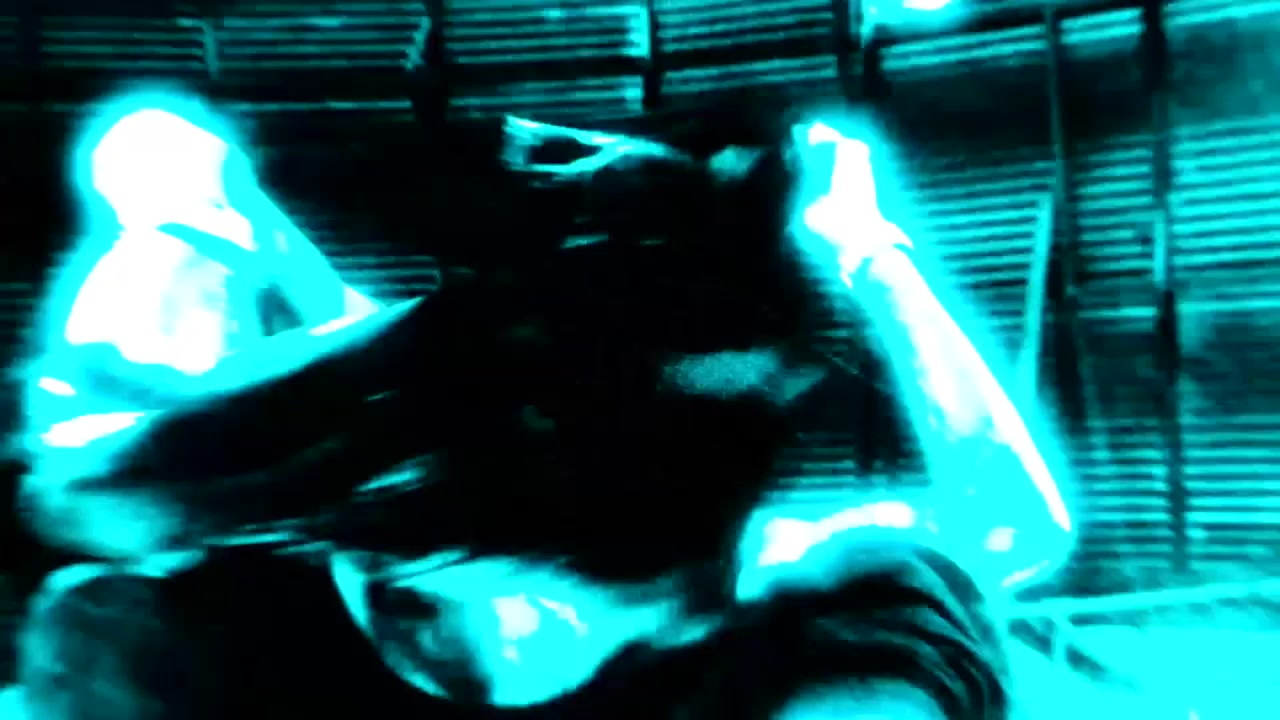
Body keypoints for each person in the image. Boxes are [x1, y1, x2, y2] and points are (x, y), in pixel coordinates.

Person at [11, 100, 1073, 719]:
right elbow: (1012, 528)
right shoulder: (817, 608)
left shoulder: (203, 622)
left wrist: (206, 218)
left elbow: (85, 480)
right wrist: (866, 248)